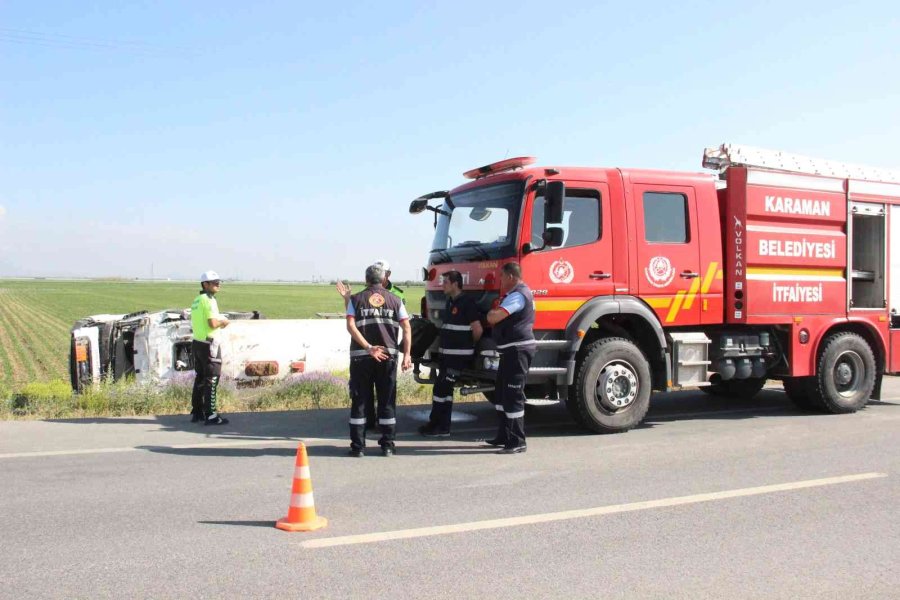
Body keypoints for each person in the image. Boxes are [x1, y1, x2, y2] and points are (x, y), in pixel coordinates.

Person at [345, 264, 412, 457]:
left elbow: (350, 326)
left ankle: (358, 447)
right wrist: (407, 354)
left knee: (360, 401)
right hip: (388, 358)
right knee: (387, 401)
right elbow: (406, 328)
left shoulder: (355, 299)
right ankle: (388, 446)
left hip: (361, 358)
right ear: (383, 280)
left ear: (366, 280)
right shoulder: (396, 300)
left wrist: (368, 347)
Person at [419, 270, 482, 437]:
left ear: (455, 284)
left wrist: (469, 348)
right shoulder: (450, 302)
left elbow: (477, 329)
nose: (442, 285)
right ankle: (440, 425)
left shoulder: (467, 303)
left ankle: (438, 426)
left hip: (458, 357)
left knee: (441, 389)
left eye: (446, 282)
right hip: (447, 357)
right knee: (443, 392)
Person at [485, 262, 535, 454]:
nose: (500, 280)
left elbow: (495, 317)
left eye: (502, 277)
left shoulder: (517, 296)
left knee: (513, 395)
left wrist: (491, 313)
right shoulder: (516, 294)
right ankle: (504, 435)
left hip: (517, 350)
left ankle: (517, 441)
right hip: (510, 350)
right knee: (502, 394)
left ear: (511, 277)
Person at [190, 270, 230, 425]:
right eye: (214, 282)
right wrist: (224, 322)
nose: (217, 284)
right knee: (212, 378)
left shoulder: (197, 300)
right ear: (205, 284)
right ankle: (211, 415)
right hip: (210, 343)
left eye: (218, 281)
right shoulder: (209, 300)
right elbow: (212, 323)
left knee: (200, 377)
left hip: (198, 342)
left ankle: (197, 411)